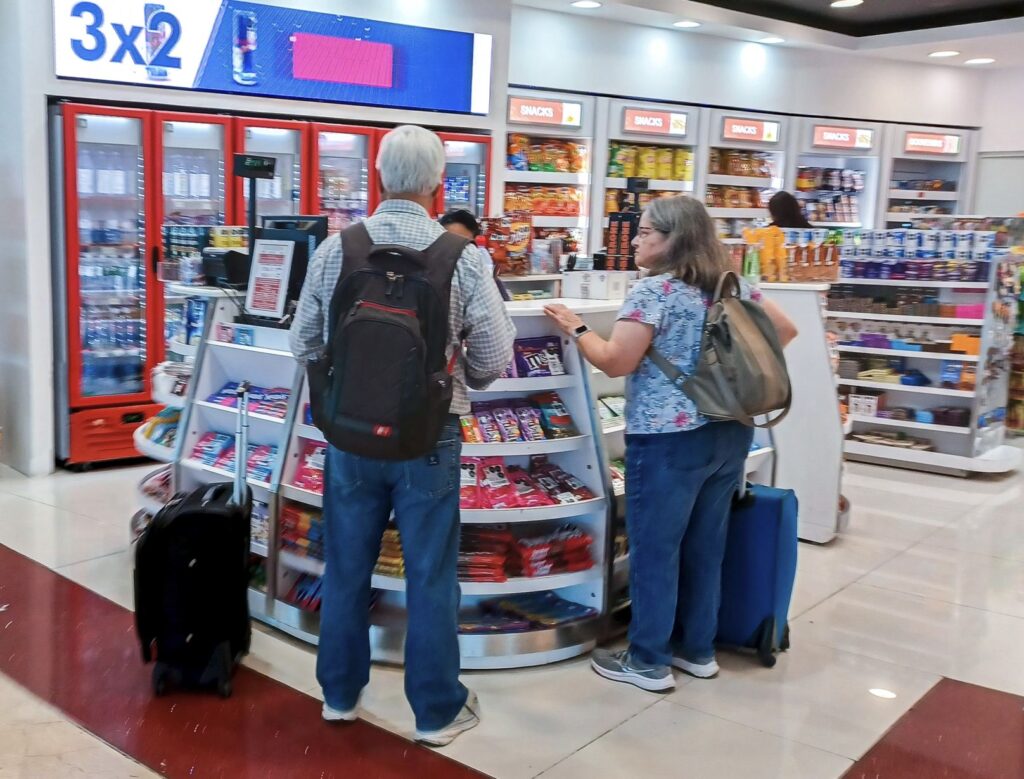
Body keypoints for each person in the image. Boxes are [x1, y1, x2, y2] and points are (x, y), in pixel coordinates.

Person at [290, 125, 516, 746]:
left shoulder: (338, 250)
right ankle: (436, 711)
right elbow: (493, 361)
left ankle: (339, 695)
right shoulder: (464, 257)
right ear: (439, 181)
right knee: (432, 574)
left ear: (380, 176)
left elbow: (304, 341)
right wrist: (455, 374)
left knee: (345, 567)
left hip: (350, 437)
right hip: (429, 435)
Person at [544, 196, 797, 693]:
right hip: (730, 430)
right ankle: (697, 651)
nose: (635, 241)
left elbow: (616, 362)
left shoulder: (653, 292)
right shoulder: (734, 285)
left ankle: (648, 660)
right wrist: (723, 371)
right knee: (706, 546)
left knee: (657, 550)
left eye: (644, 233)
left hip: (668, 438)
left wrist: (575, 328)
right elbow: (785, 330)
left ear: (673, 239)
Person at [440, 208, 511, 301]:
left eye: (464, 245)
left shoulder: (486, 280)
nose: (456, 250)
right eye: (450, 242)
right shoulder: (429, 279)